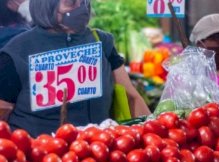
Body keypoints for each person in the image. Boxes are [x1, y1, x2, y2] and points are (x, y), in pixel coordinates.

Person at [0, 0, 151, 137]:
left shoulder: (102, 42)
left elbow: (132, 97)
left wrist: (154, 133)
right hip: (41, 159)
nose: (81, 8)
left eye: (84, 2)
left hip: (98, 155)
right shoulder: (16, 52)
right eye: (71, 3)